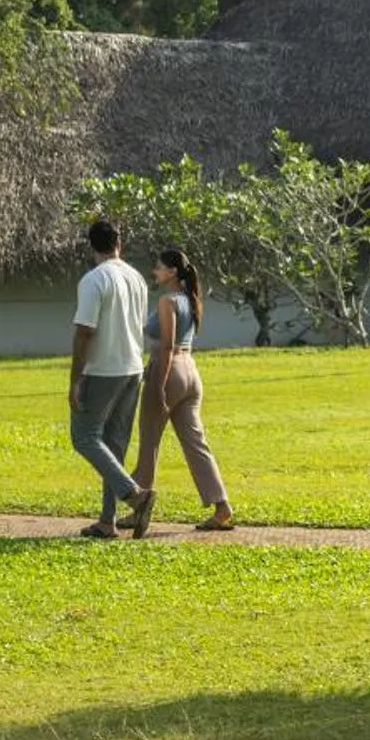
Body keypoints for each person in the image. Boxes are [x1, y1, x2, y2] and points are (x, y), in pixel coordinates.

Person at [132, 247, 237, 533]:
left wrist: (161, 386)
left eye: (158, 267)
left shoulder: (168, 301)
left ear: (172, 271)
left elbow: (166, 345)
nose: (155, 271)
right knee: (195, 442)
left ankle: (138, 502)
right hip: (191, 371)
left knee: (149, 440)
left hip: (169, 370)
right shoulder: (190, 300)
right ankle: (221, 506)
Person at [69, 220, 156, 538]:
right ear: (120, 243)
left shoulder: (94, 280)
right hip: (132, 366)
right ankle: (108, 521)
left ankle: (135, 496)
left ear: (91, 245)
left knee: (85, 436)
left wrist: (75, 379)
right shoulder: (136, 278)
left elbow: (85, 331)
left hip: (103, 369)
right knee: (115, 443)